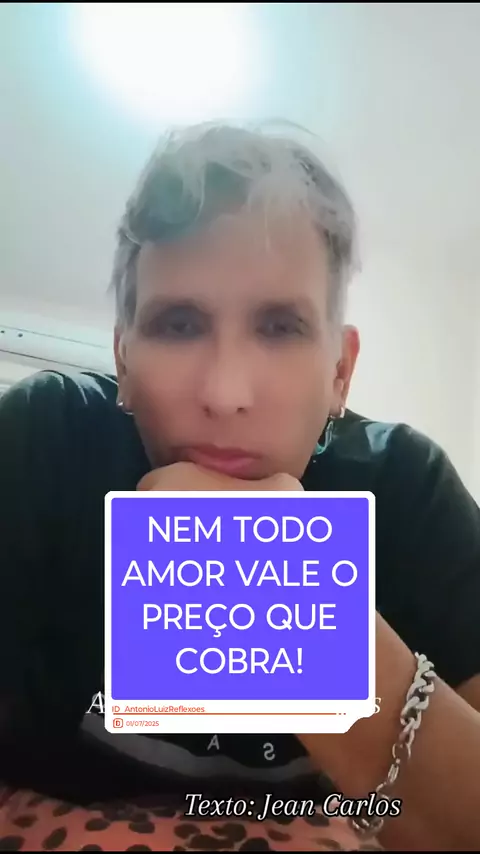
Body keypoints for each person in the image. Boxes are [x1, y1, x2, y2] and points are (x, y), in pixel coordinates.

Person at [0, 122, 479, 853]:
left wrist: (287, 596)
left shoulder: (408, 491)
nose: (225, 394)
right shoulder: (46, 443)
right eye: (179, 324)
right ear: (123, 358)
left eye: (280, 327)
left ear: (340, 372)